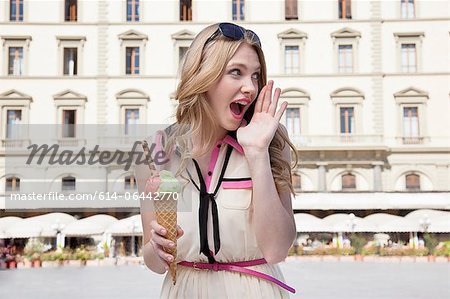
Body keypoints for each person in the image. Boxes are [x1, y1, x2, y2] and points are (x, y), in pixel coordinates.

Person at [134, 22, 298, 298]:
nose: (250, 88)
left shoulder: (271, 140)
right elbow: (154, 262)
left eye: (256, 76)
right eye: (236, 72)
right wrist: (157, 249)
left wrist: (257, 153)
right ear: (203, 76)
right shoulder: (154, 151)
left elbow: (277, 249)